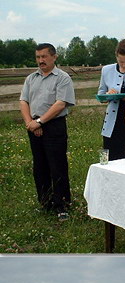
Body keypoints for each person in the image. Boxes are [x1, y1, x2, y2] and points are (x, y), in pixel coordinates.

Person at [19, 43, 75, 221]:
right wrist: (30, 123)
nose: (41, 60)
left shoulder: (62, 78)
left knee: (57, 165)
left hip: (54, 126)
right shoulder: (31, 78)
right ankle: (45, 202)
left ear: (54, 57)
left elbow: (60, 104)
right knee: (40, 166)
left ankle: (62, 204)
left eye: (44, 56)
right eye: (38, 57)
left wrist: (40, 122)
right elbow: (23, 101)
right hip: (34, 125)